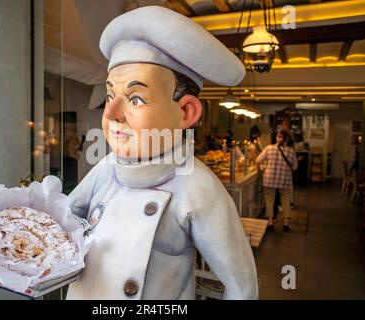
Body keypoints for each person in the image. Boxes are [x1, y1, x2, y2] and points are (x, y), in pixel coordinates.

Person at [65, 6, 257, 300]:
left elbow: (241, 286)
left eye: (136, 98)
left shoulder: (197, 186)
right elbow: (61, 222)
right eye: (110, 96)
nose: (112, 113)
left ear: (186, 111)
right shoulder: (106, 168)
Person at [256, 130, 298, 232]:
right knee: (286, 200)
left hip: (269, 179)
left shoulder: (269, 148)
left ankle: (270, 222)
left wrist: (263, 168)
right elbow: (295, 167)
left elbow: (257, 160)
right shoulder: (291, 151)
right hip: (285, 180)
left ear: (277, 137)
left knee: (270, 200)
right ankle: (286, 223)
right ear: (287, 139)